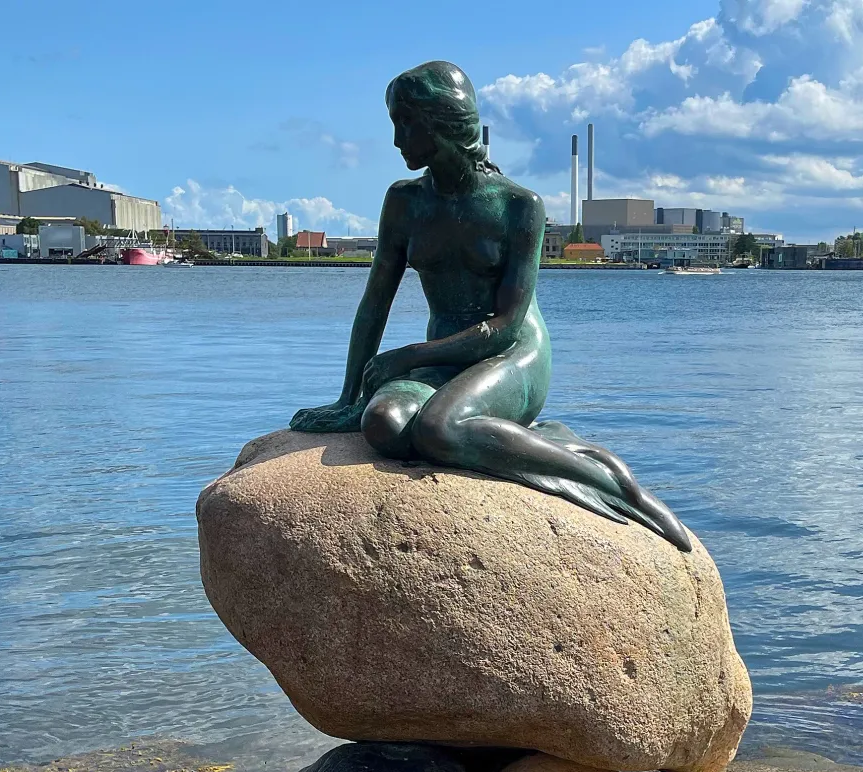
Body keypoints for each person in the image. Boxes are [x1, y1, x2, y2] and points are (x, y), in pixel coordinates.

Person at [288, 61, 691, 551]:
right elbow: (375, 303)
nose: (396, 140)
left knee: (439, 427)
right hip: (444, 358)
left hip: (512, 355)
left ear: (440, 123)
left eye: (404, 123)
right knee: (383, 424)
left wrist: (408, 356)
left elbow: (503, 326)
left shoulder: (519, 205)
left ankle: (610, 479)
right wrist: (346, 398)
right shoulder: (403, 202)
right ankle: (512, 436)